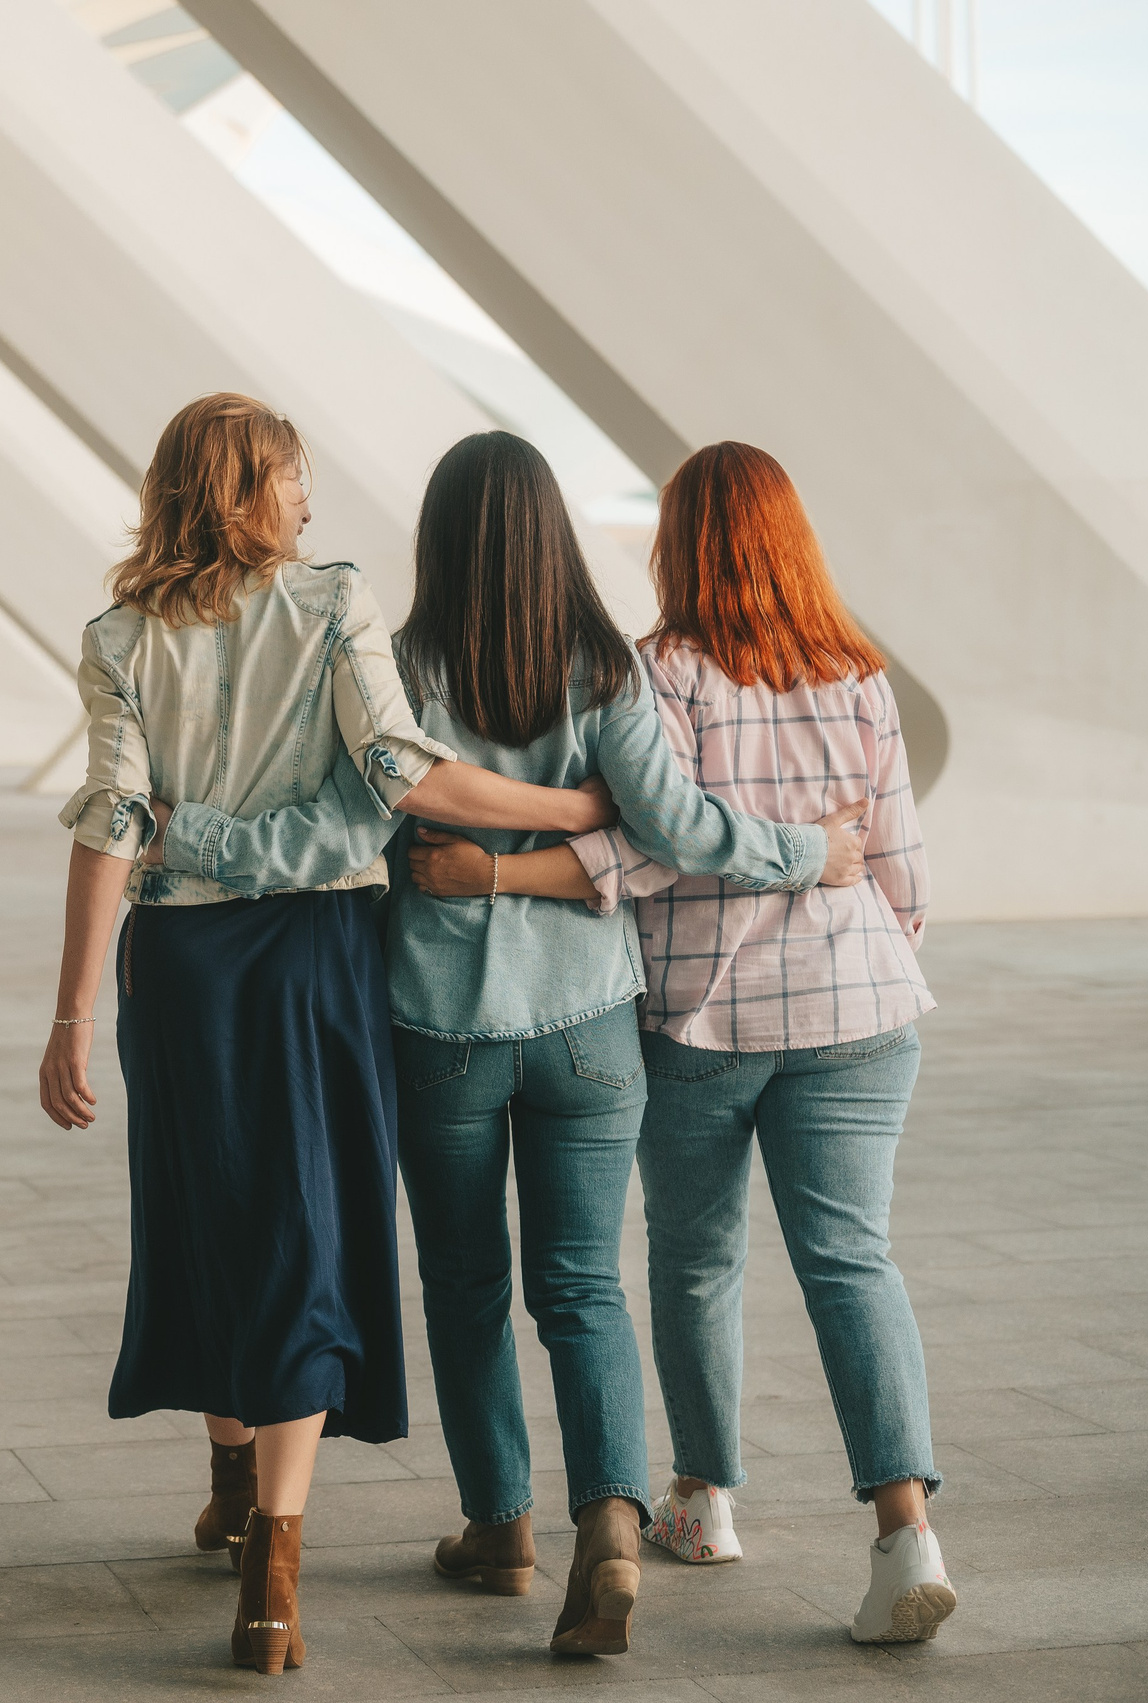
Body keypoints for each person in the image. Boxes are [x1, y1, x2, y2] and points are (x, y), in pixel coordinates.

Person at [140, 430, 863, 1658]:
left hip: (437, 1028)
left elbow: (351, 825)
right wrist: (809, 853)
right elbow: (679, 826)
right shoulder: (605, 668)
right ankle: (612, 1530)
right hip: (588, 1027)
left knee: (466, 1287)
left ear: (441, 536)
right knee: (582, 1286)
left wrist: (187, 837)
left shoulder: (398, 659)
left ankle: (498, 1524)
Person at [39, 397, 625, 1675]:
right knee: (303, 1222)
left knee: (207, 1209)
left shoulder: (118, 637)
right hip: (313, 959)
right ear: (248, 491)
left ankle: (231, 1477)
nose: (310, 500)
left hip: (180, 967)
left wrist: (71, 1013)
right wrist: (575, 804)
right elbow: (404, 774)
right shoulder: (330, 604)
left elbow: (110, 822)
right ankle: (271, 1580)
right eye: (294, 478)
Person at [411, 441, 949, 1643]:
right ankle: (905, 1526)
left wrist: (498, 873)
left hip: (704, 1017)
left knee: (696, 1260)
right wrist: (853, 927)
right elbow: (900, 869)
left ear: (680, 543)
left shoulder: (666, 670)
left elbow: (655, 844)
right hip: (861, 1007)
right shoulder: (860, 671)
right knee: (852, 1260)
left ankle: (702, 1499)